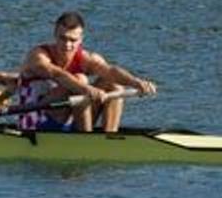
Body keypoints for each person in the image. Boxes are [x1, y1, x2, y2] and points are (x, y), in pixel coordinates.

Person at [17, 11, 156, 132]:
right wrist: (86, 88)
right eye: (62, 38)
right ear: (55, 34)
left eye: (73, 40)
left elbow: (110, 71)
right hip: (35, 122)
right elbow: (57, 74)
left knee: (113, 84)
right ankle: (86, 138)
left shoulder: (86, 58)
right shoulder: (38, 55)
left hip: (71, 121)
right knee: (80, 79)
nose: (67, 45)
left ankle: (108, 138)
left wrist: (136, 82)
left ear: (81, 39)